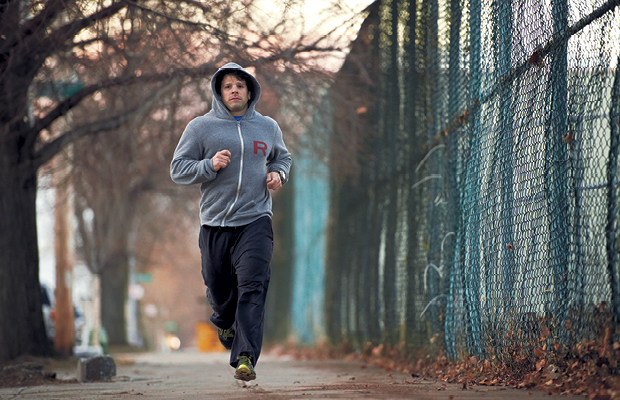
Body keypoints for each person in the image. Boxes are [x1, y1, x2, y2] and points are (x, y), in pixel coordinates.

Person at [170, 62, 291, 381]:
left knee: (253, 286)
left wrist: (279, 173)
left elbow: (282, 156)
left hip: (256, 220)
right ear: (219, 93)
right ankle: (224, 322)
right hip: (215, 224)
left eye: (240, 84)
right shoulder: (201, 128)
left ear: (250, 91)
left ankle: (246, 357)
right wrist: (208, 165)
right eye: (228, 86)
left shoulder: (267, 127)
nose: (234, 89)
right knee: (219, 289)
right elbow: (178, 169)